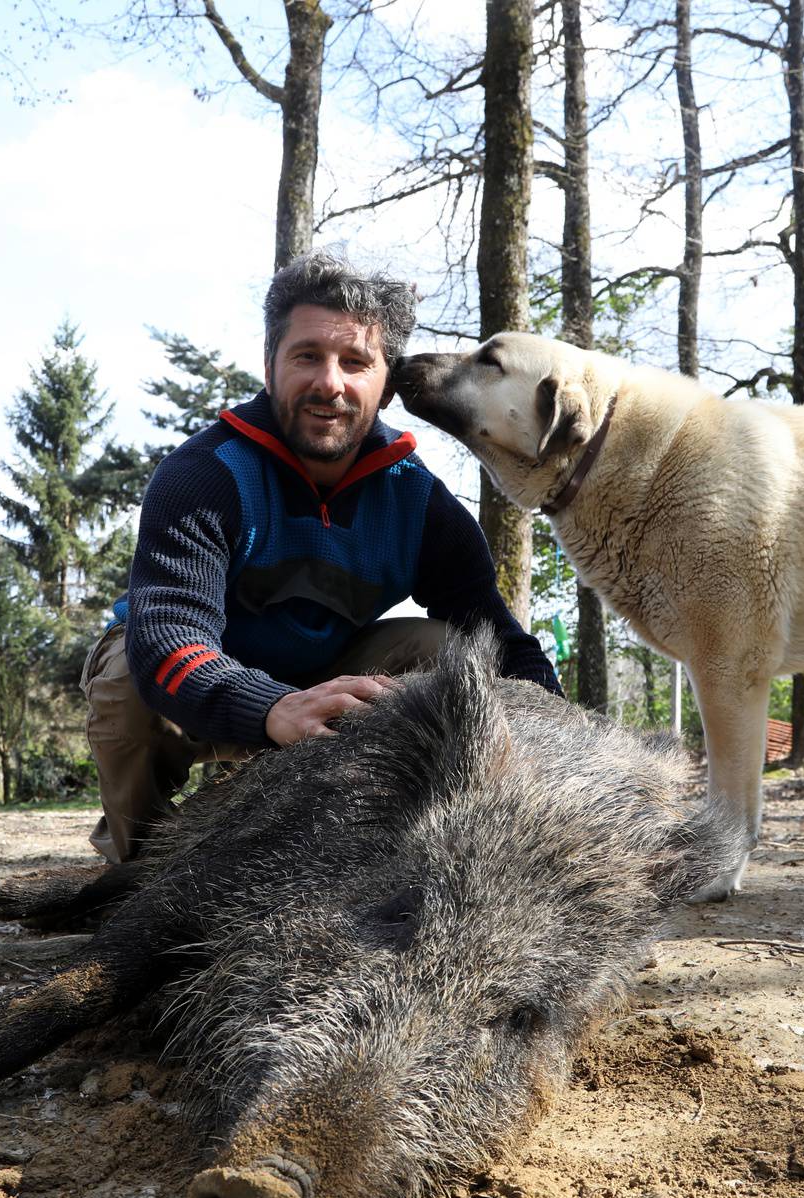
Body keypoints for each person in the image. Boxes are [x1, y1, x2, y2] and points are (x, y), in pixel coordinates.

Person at [84, 251, 562, 863]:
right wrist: (272, 707)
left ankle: (380, 846)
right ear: (269, 366)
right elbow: (167, 639)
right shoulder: (204, 475)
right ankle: (138, 860)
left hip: (320, 675)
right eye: (307, 355)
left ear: (386, 384)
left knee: (450, 649)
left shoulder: (422, 506)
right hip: (182, 686)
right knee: (126, 675)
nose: (329, 383)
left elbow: (501, 639)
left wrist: (572, 741)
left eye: (355, 362)